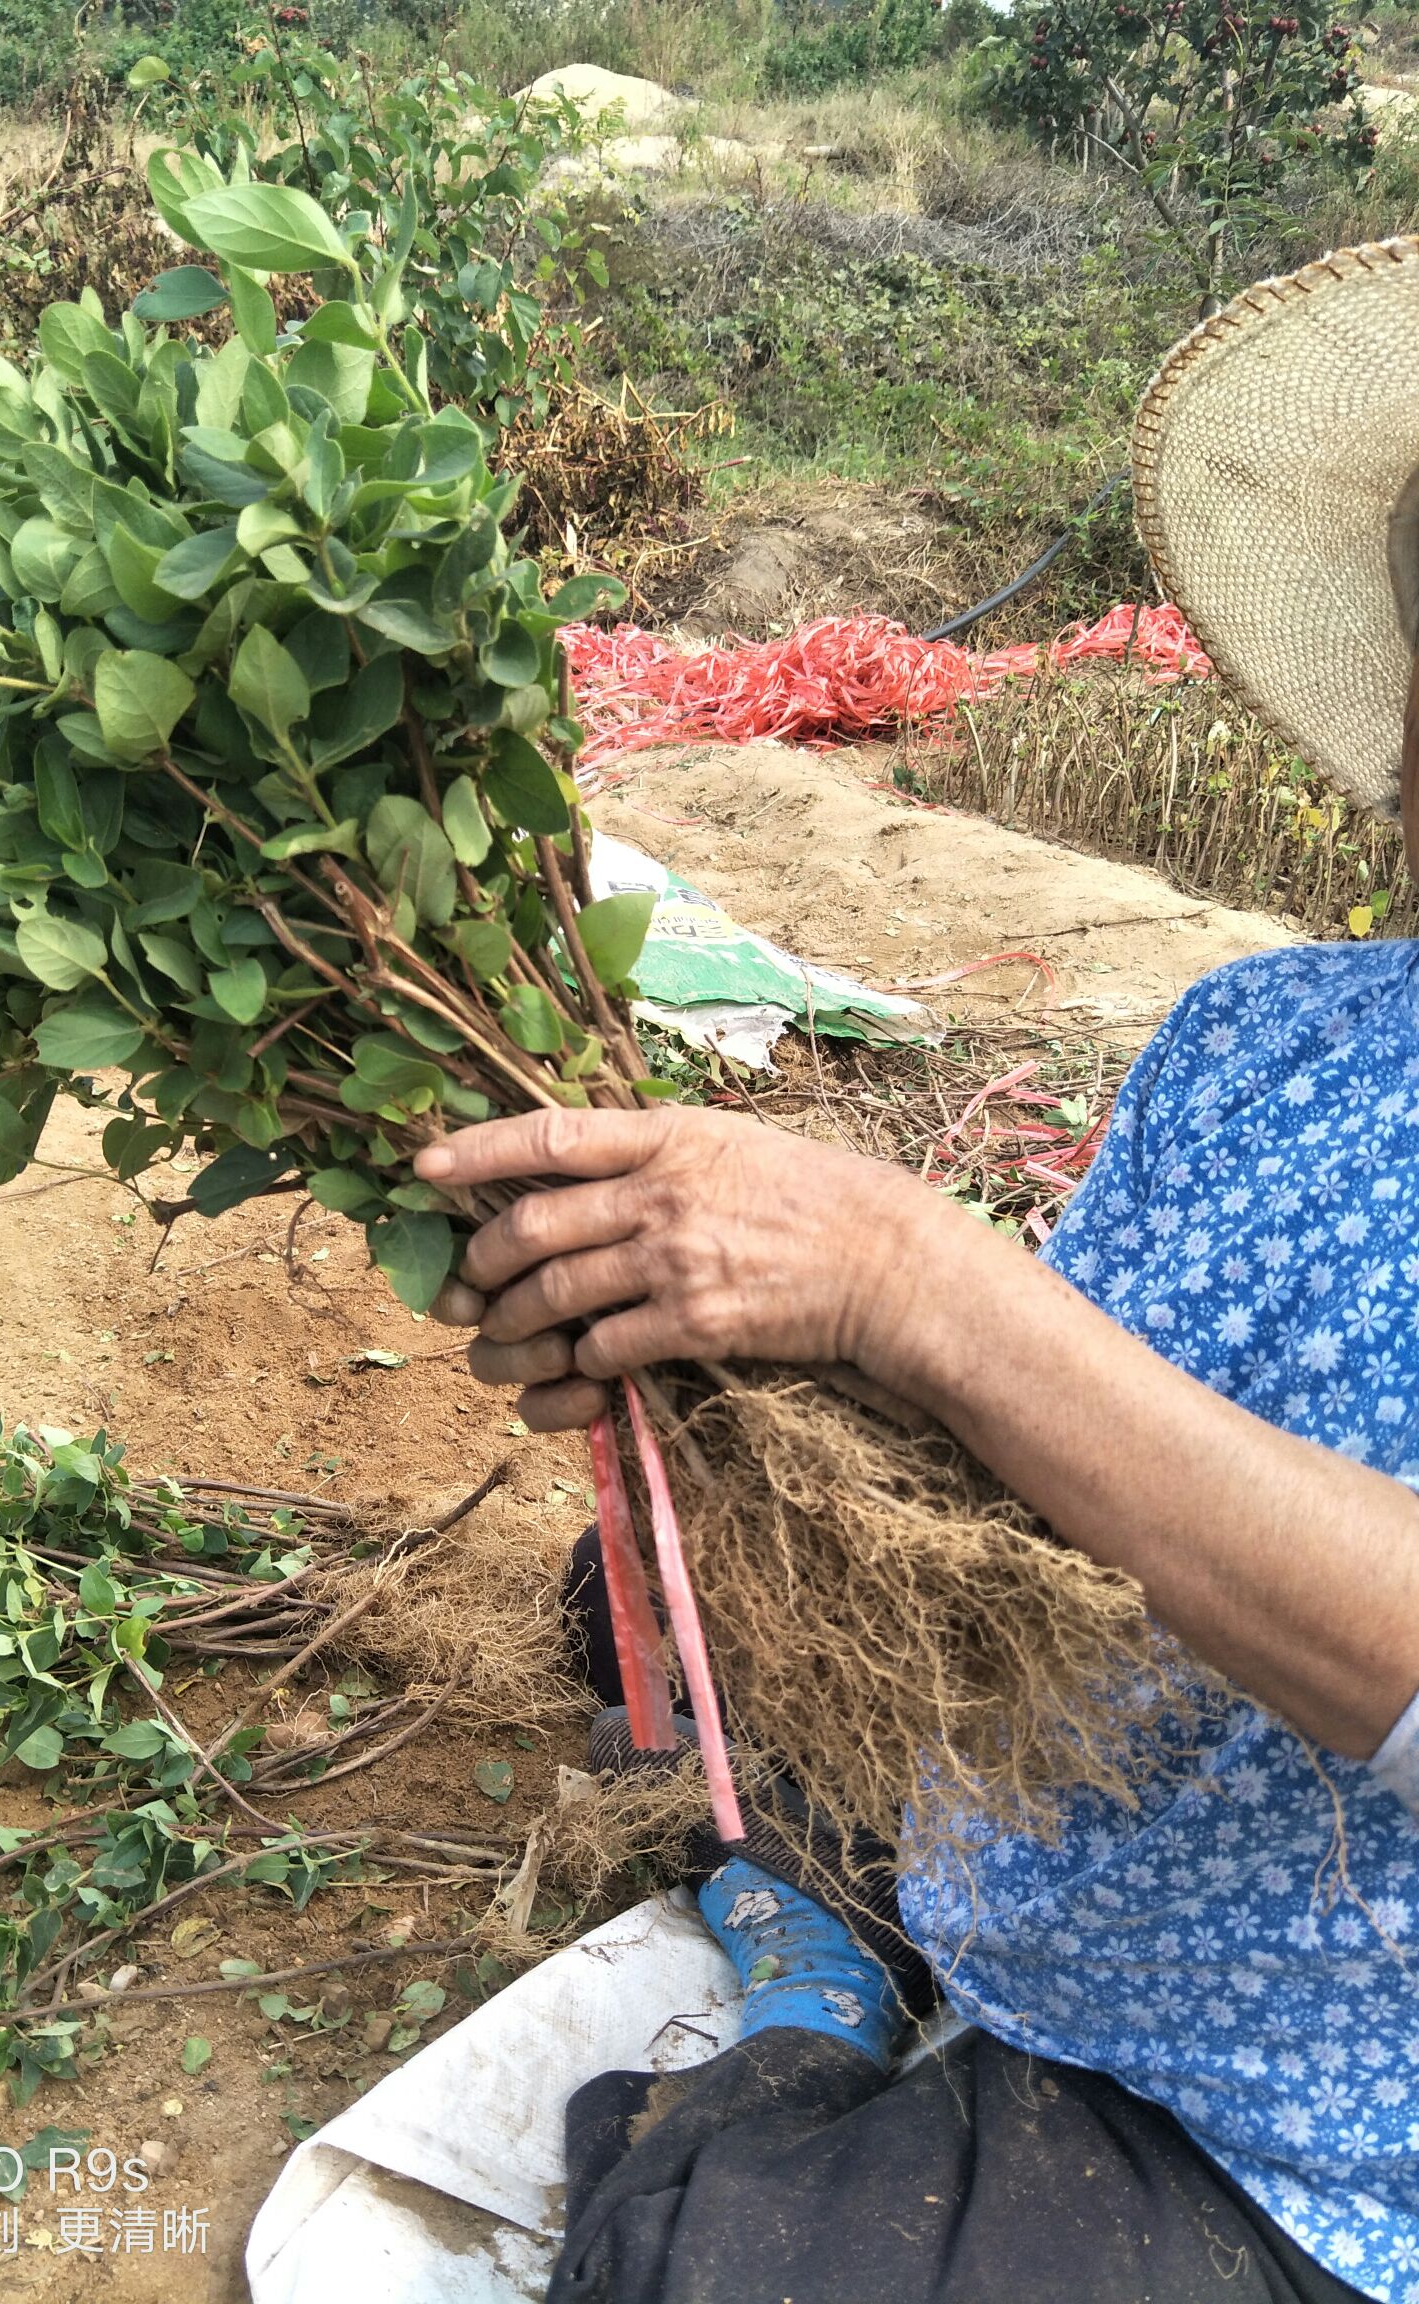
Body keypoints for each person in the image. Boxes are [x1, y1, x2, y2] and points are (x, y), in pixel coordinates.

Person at [412, 240, 1419, 2304]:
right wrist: (709, 1353)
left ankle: (806, 2011)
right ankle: (850, 1913)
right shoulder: (1269, 1036)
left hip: (1326, 2108)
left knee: (724, 2276)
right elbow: (1028, 1458)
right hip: (1043, 1827)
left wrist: (907, 1273)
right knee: (645, 1637)